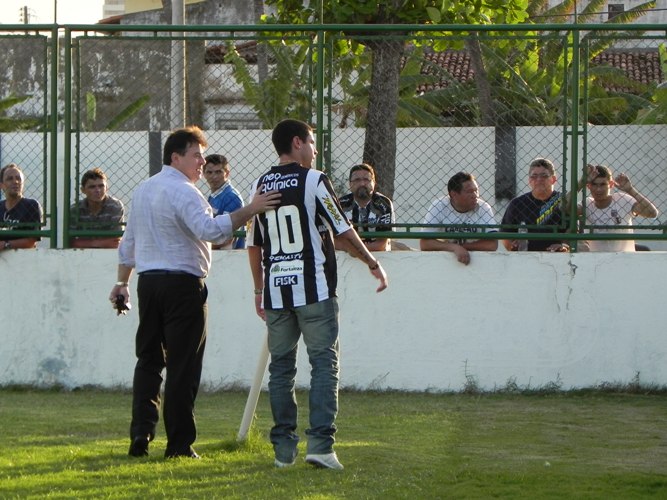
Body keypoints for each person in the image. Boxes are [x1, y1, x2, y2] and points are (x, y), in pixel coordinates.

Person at [108, 126, 280, 460]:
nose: (202, 162)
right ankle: (179, 444)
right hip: (183, 285)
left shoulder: (143, 190)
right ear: (176, 157)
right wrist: (252, 208)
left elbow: (129, 245)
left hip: (149, 283)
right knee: (183, 365)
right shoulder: (186, 191)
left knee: (148, 360)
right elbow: (210, 231)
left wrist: (122, 283)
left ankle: (141, 434)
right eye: (196, 155)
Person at [247, 119, 388, 470]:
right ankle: (321, 447)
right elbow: (343, 226)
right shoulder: (314, 179)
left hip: (277, 290)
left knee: (281, 368)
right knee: (324, 363)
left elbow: (254, 244)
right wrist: (371, 261)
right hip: (314, 289)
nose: (314, 149)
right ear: (297, 143)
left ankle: (283, 451)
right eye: (311, 142)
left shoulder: (260, 183)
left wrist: (259, 289)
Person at [419, 172, 497, 265]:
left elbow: (492, 244)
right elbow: (425, 243)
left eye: (476, 190)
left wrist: (463, 247)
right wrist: (454, 248)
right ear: (454, 194)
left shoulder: (483, 207)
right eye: (469, 191)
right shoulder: (439, 206)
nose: (475, 195)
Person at [578, 164, 658, 251]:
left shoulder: (622, 200)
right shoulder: (587, 204)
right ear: (588, 186)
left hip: (624, 260)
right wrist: (580, 184)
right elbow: (565, 209)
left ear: (611, 184)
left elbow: (652, 213)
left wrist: (630, 190)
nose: (598, 189)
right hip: (596, 261)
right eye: (594, 185)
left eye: (603, 184)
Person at [501, 157, 570, 252]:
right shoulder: (517, 204)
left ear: (553, 179)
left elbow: (574, 230)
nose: (539, 179)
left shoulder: (564, 201)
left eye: (544, 176)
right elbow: (505, 236)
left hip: (557, 257)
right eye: (534, 176)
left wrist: (564, 245)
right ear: (529, 180)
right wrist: (513, 245)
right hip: (525, 259)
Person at [336, 163, 395, 251]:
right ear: (350, 184)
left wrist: (354, 250)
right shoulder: (341, 204)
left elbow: (383, 244)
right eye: (357, 180)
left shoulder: (383, 204)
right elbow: (332, 239)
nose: (362, 183)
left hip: (379, 256)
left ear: (374, 183)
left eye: (366, 179)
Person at [69, 168, 125, 249]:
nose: (98, 190)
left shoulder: (115, 206)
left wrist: (86, 243)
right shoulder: (75, 209)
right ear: (83, 190)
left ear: (107, 187)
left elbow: (116, 242)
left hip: (109, 255)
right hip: (82, 255)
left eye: (101, 186)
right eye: (92, 187)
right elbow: (72, 242)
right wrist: (101, 243)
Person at [203, 154, 246, 249]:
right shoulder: (214, 195)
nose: (213, 176)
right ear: (204, 174)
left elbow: (228, 239)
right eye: (209, 172)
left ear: (227, 173)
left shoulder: (232, 197)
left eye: (218, 172)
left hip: (230, 257)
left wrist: (201, 246)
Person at [0, 163, 43, 251]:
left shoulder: (31, 205)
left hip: (24, 259)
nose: (15, 182)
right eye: (9, 179)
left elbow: (31, 241)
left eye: (18, 178)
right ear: (2, 185)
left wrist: (6, 244)